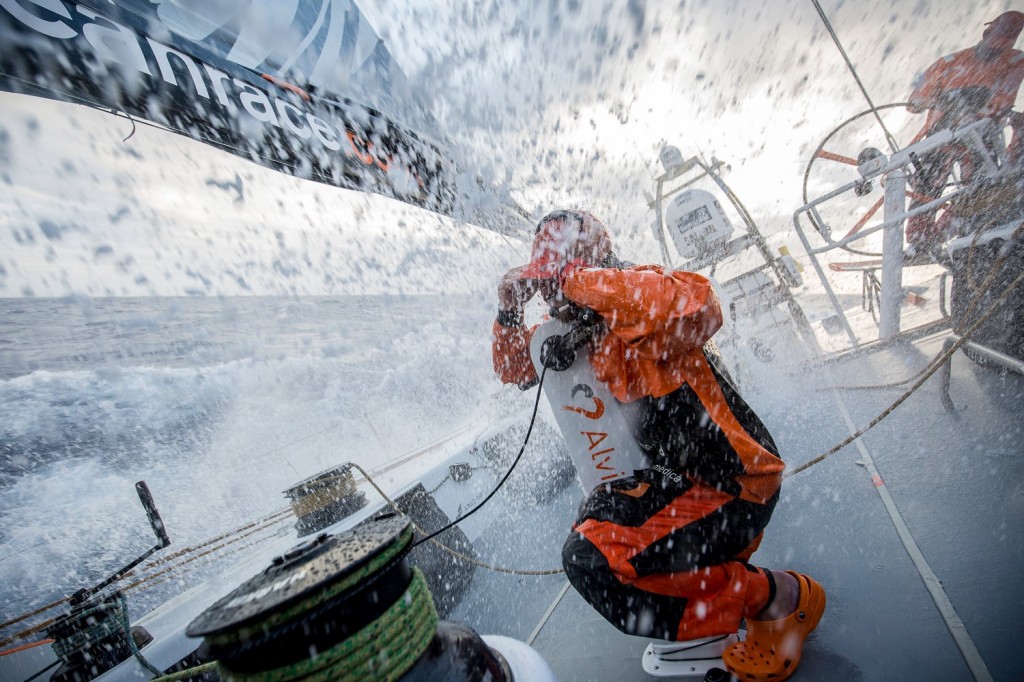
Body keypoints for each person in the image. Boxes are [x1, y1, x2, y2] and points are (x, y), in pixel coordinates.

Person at [491, 209, 826, 682]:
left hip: (734, 485)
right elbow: (514, 370)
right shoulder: (584, 334)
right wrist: (508, 309)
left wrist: (578, 281)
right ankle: (728, 596)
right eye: (545, 286)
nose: (550, 296)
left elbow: (699, 306)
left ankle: (774, 597)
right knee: (595, 525)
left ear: (591, 273)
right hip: (680, 481)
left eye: (554, 283)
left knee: (593, 561)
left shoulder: (643, 302)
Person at [904, 11, 1024, 249]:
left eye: (1009, 37)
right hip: (941, 133)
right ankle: (921, 238)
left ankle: (959, 230)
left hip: (981, 134)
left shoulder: (1015, 60)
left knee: (978, 186)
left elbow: (1004, 97)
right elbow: (914, 101)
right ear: (987, 32)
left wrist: (979, 112)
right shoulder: (948, 63)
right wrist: (944, 102)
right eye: (999, 36)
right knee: (929, 182)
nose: (1001, 44)